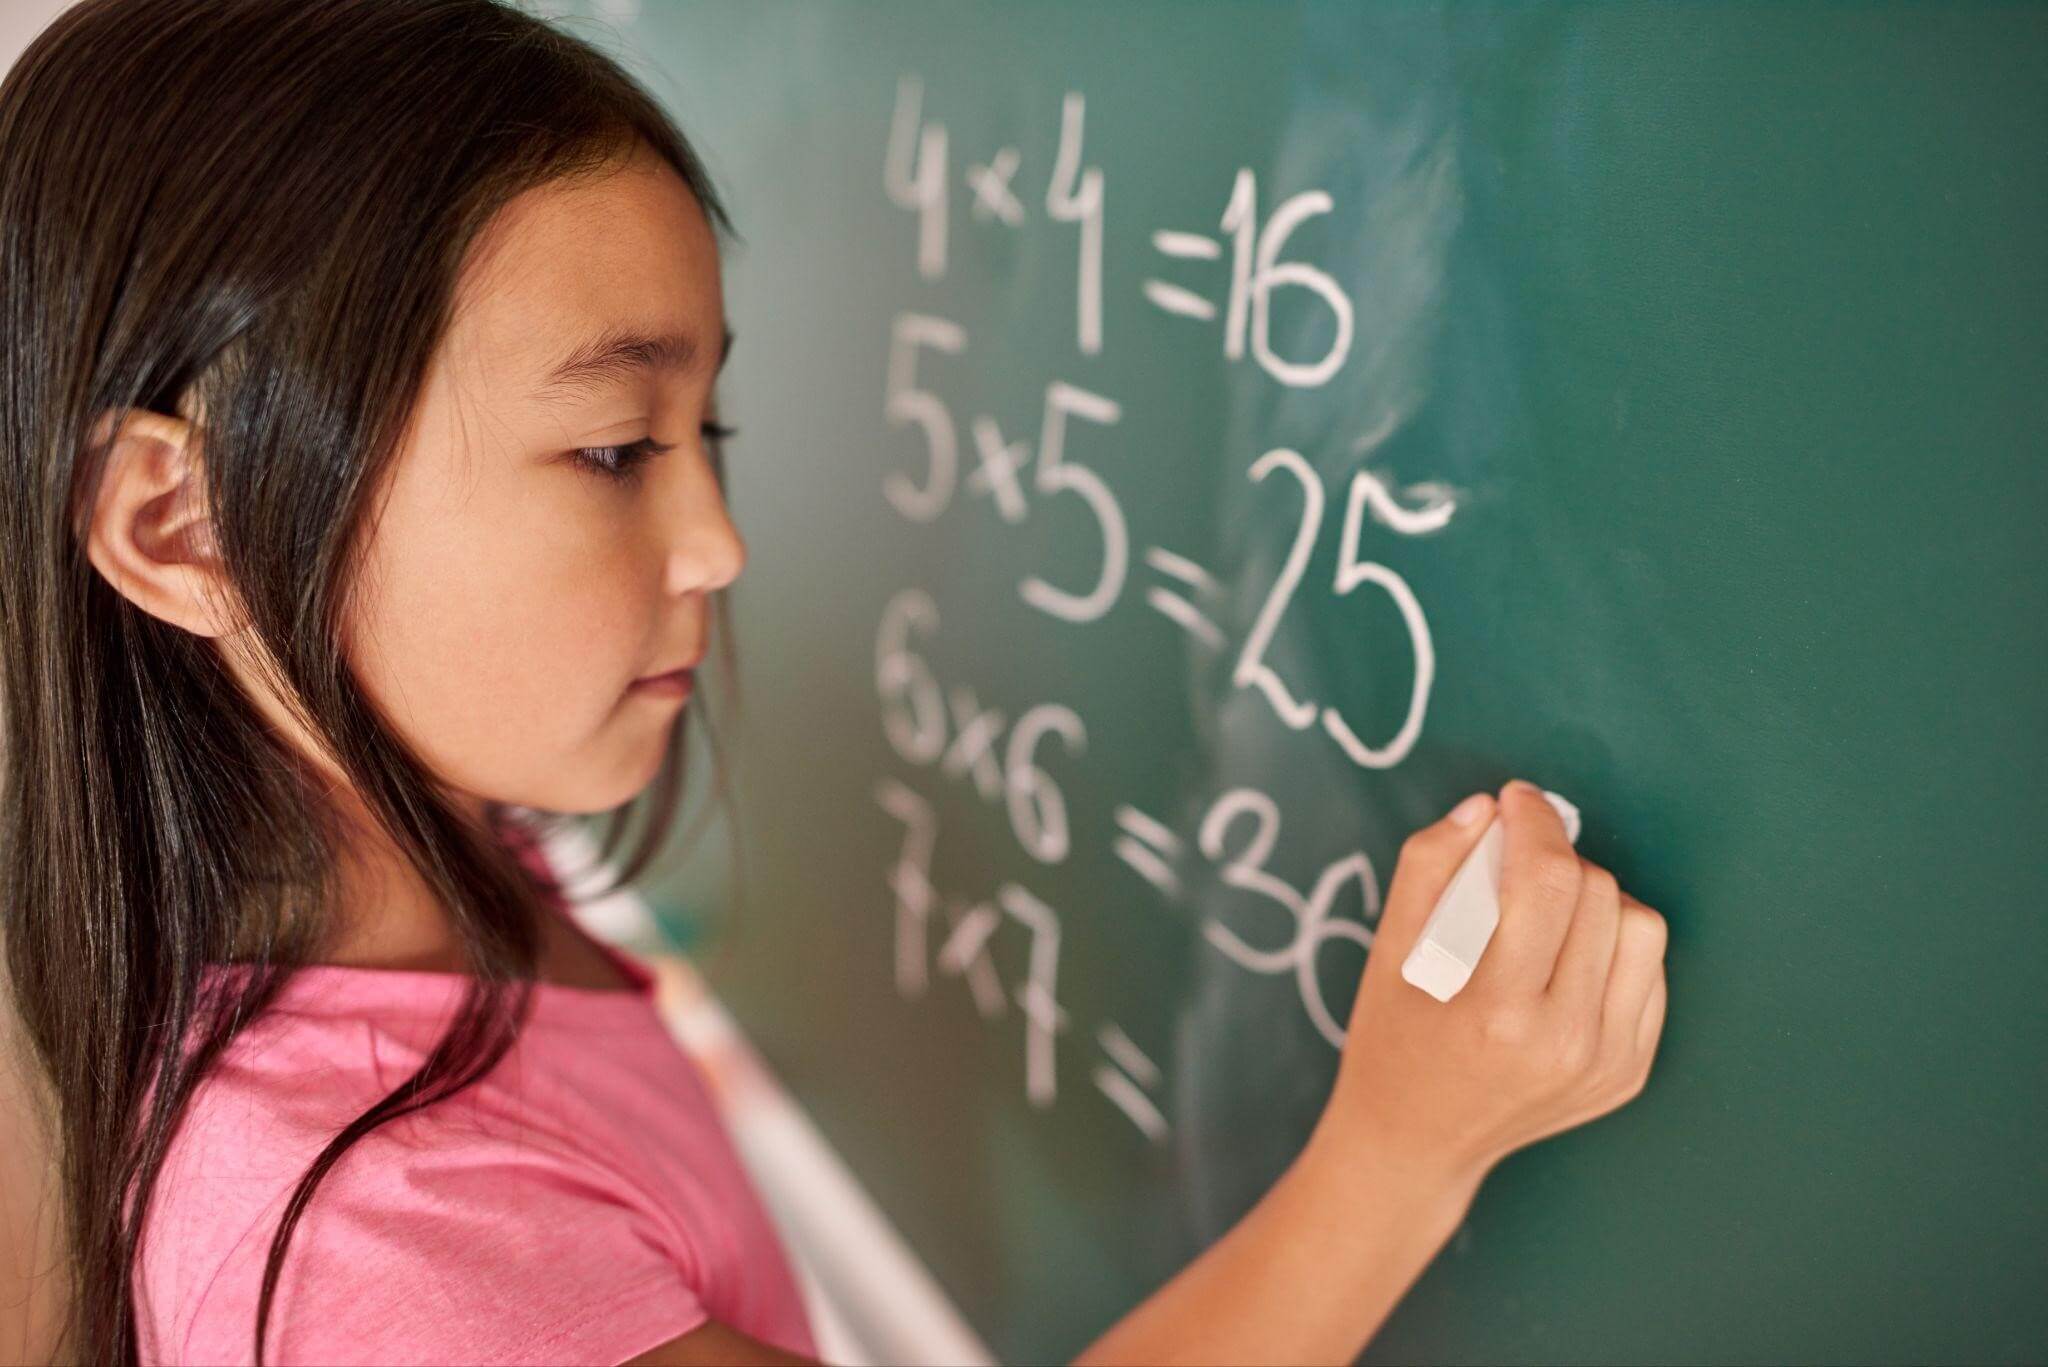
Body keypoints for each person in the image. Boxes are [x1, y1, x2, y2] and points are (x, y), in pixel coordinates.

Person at [0, 1, 1670, 1363]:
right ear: (180, 523)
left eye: (701, 433)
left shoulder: (424, 846)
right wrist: (1400, 1157)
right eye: (608, 449)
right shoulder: (385, 1268)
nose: (719, 539)